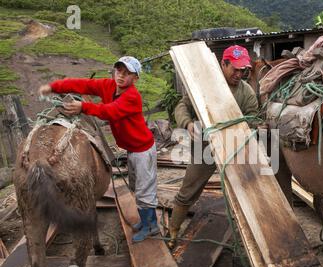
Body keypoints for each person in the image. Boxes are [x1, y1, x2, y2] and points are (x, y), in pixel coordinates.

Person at [38, 56, 159, 243]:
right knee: (137, 186)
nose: (121, 76)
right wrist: (54, 87)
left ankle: (152, 227)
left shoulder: (132, 97)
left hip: (143, 150)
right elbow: (82, 84)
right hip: (132, 149)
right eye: (119, 71)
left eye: (127, 73)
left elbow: (109, 111)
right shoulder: (108, 86)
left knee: (144, 189)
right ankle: (145, 221)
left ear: (135, 78)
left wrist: (83, 107)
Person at [169, 45, 258, 248]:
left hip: (233, 149)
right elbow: (182, 106)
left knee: (245, 191)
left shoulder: (247, 92)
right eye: (234, 68)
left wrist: (244, 129)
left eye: (242, 69)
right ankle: (173, 230)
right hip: (205, 148)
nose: (239, 74)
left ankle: (251, 239)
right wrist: (188, 124)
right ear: (223, 64)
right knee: (188, 191)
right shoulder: (205, 85)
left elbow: (252, 118)